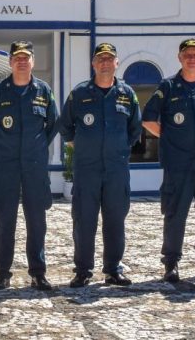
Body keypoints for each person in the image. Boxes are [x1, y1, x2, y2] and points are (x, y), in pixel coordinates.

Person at [142, 38, 195, 282]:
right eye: (187, 54)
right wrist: (169, 136)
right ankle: (171, 264)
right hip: (178, 164)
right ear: (180, 58)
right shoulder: (168, 87)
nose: (192, 58)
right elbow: (148, 119)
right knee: (175, 214)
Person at [59, 42, 142, 288]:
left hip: (116, 170)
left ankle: (113, 269)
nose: (105, 63)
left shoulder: (127, 94)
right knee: (84, 221)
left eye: (110, 58)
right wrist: (85, 147)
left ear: (117, 63)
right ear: (93, 64)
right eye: (100, 59)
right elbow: (65, 127)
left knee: (115, 220)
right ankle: (83, 270)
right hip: (87, 170)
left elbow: (135, 129)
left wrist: (118, 150)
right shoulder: (80, 93)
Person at [0, 40, 59, 291]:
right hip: (6, 166)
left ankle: (38, 271)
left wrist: (35, 148)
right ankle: (3, 272)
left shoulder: (43, 91)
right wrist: (5, 148)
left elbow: (53, 124)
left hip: (35, 166)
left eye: (26, 57)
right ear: (11, 62)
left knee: (37, 220)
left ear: (32, 61)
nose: (22, 61)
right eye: (17, 57)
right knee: (5, 219)